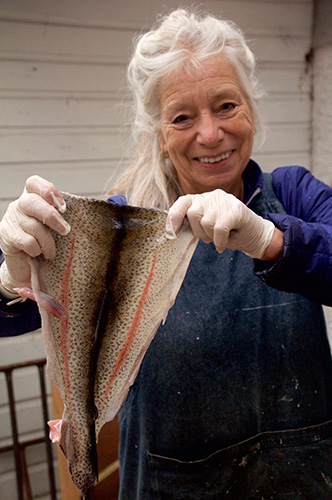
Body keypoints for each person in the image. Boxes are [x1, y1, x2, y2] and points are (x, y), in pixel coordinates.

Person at [1, 8, 332, 499]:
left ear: (252, 110)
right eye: (182, 117)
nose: (210, 134)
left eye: (225, 106)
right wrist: (15, 271)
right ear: (158, 132)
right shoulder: (121, 228)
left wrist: (268, 239)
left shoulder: (294, 195)